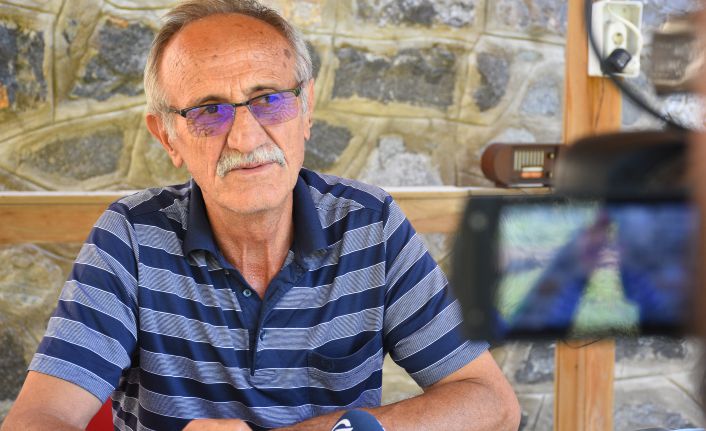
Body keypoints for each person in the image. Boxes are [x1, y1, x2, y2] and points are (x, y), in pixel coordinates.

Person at [1, 1, 520, 430]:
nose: (246, 138)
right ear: (167, 137)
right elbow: (38, 418)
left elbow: (491, 402)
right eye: (208, 110)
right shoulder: (131, 237)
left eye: (269, 98)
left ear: (306, 108)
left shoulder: (371, 224)